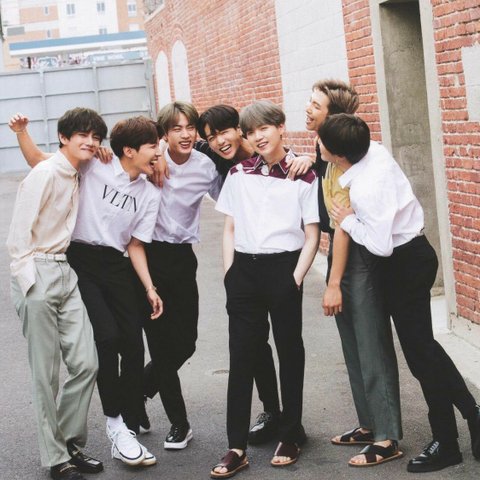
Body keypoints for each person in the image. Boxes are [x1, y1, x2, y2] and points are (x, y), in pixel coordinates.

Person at [324, 113, 480, 473]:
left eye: (322, 142)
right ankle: (469, 416)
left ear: (339, 154)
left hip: (403, 265)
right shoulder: (374, 151)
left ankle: (449, 442)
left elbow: (380, 246)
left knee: (421, 356)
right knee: (424, 352)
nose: (317, 145)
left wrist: (347, 219)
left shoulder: (365, 189)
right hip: (412, 257)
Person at [10, 114, 164, 467]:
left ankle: (103, 431)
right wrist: (21, 133)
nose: (91, 142)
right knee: (96, 344)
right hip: (70, 261)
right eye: (154, 146)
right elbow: (41, 163)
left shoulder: (147, 191)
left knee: (112, 352)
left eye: (96, 137)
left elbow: (136, 244)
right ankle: (89, 437)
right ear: (129, 150)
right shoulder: (94, 166)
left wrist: (150, 288)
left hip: (102, 265)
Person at [211, 100, 319, 478]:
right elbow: (229, 228)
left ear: (280, 127)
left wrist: (296, 278)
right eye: (251, 131)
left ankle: (291, 434)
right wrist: (230, 274)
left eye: (264, 128)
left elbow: (312, 234)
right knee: (242, 356)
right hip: (244, 272)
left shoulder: (304, 175)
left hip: (284, 270)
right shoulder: (238, 173)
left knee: (290, 352)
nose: (258, 136)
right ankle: (236, 447)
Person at [7, 108, 106, 480]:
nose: (90, 142)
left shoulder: (77, 169)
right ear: (64, 137)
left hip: (66, 270)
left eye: (96, 137)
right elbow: (18, 237)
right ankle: (56, 458)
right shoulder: (45, 174)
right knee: (45, 375)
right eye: (83, 135)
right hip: (37, 272)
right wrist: (30, 283)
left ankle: (66, 442)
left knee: (86, 364)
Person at [319, 114, 403, 467]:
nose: (309, 112)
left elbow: (345, 228)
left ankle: (387, 438)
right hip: (342, 258)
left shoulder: (357, 174)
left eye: (316, 105)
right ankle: (370, 425)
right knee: (353, 347)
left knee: (372, 348)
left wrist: (333, 283)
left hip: (360, 257)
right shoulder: (334, 162)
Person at [141, 101, 222, 451]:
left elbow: (232, 197)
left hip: (182, 258)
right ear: (164, 133)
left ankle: (138, 388)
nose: (185, 134)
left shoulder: (205, 167)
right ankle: (179, 423)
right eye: (177, 128)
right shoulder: (149, 159)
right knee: (160, 344)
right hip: (147, 257)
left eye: (190, 127)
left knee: (186, 341)